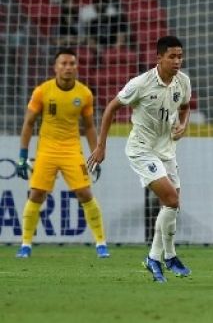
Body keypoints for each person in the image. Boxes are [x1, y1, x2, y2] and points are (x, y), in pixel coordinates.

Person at [87, 36, 192, 283]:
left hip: (167, 150)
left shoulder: (183, 81)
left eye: (180, 56)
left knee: (172, 206)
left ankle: (166, 256)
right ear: (159, 58)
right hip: (141, 149)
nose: (177, 61)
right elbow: (112, 108)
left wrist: (183, 125)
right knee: (171, 198)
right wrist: (101, 145)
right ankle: (157, 258)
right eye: (172, 57)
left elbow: (185, 107)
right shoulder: (141, 83)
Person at [15, 48, 109, 259]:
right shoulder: (42, 91)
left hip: (71, 150)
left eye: (72, 63)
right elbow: (29, 124)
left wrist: (96, 153)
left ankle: (101, 244)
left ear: (77, 67)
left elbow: (89, 127)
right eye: (63, 63)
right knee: (36, 194)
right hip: (47, 149)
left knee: (85, 193)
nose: (68, 67)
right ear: (55, 67)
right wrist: (22, 156)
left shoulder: (84, 93)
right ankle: (26, 244)